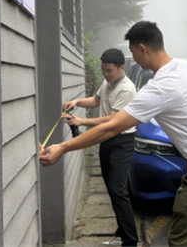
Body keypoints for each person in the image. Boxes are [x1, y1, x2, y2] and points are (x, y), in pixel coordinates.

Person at [41, 21, 187, 247]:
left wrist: (62, 147)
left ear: (142, 49)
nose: (133, 58)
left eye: (132, 52)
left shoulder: (160, 87)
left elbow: (111, 127)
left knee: (181, 242)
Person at [62, 48, 138, 247]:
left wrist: (81, 122)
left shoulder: (126, 89)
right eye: (103, 70)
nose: (105, 74)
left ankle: (130, 241)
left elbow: (113, 119)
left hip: (122, 141)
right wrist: (77, 101)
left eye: (109, 70)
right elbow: (96, 100)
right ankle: (122, 234)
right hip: (108, 140)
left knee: (118, 189)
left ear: (121, 68)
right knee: (112, 189)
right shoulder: (108, 82)